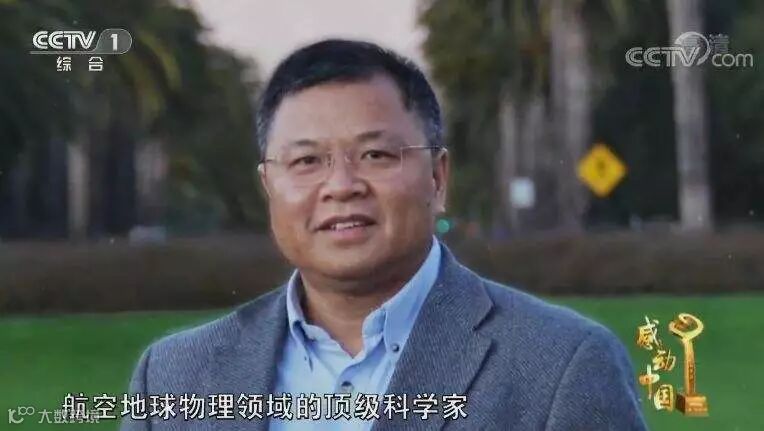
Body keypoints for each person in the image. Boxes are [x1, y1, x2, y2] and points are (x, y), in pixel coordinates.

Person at [121, 39, 647, 431]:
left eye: (375, 154)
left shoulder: (562, 364)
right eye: (306, 161)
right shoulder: (174, 376)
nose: (341, 186)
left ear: (437, 178)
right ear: (269, 186)